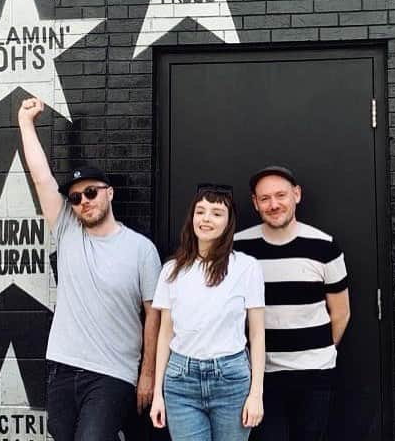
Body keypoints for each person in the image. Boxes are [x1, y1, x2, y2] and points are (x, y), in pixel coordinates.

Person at [17, 96, 162, 441]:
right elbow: (41, 178)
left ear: (109, 194)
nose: (83, 201)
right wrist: (25, 123)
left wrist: (148, 374)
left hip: (113, 373)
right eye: (76, 198)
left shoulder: (141, 249)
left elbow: (154, 316)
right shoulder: (68, 230)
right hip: (63, 367)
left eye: (91, 193)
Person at [233, 165, 350, 441]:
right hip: (260, 376)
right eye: (265, 198)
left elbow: (341, 312)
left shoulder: (325, 246)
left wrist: (321, 351)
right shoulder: (238, 248)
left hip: (314, 373)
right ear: (255, 203)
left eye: (281, 195)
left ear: (296, 195)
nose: (274, 204)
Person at [149, 184, 265, 441]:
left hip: (231, 378)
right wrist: (158, 393)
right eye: (200, 211)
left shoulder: (247, 268)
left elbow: (257, 335)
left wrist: (256, 394)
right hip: (181, 381)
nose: (206, 219)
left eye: (216, 213)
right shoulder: (172, 270)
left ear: (228, 221)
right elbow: (165, 333)